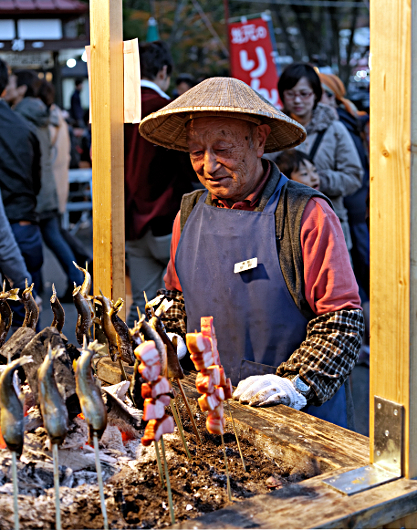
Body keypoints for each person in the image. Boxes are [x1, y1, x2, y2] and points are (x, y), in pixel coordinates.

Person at [138, 77, 364, 430]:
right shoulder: (189, 214)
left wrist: (294, 383)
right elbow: (176, 297)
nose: (208, 166)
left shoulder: (307, 213)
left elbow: (342, 322)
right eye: (197, 151)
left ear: (259, 140)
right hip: (213, 410)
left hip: (301, 421)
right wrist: (170, 336)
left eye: (223, 148)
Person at [124, 41, 195, 325]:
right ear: (164, 70)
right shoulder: (169, 111)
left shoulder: (115, 111)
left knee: (141, 305)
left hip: (131, 221)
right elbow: (189, 167)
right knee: (185, 302)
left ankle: (127, 364)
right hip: (170, 219)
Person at [277, 63, 363, 252]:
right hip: (284, 226)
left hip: (329, 222)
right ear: (282, 95)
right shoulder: (274, 131)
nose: (297, 100)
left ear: (316, 94)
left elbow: (354, 177)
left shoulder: (334, 129)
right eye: (290, 94)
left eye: (304, 93)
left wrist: (316, 180)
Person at [14, 70, 83, 297]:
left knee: (48, 238)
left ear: (22, 89)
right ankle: (76, 280)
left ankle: (74, 281)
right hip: (48, 185)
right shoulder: (42, 114)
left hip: (37, 187)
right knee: (52, 236)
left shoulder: (21, 114)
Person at [0, 60, 43, 316]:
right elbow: (36, 181)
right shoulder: (24, 127)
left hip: (11, 227)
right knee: (28, 320)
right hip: (25, 224)